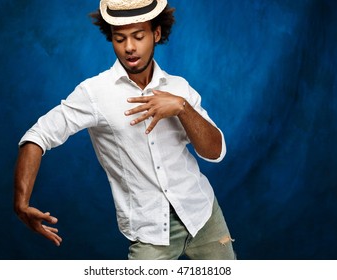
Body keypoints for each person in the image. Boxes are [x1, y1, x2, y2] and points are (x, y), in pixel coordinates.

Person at [14, 0, 235, 260]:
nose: (129, 47)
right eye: (120, 39)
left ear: (156, 34)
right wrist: (21, 203)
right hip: (151, 232)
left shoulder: (179, 88)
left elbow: (215, 152)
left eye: (138, 37)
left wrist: (182, 108)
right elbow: (39, 135)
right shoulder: (95, 93)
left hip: (203, 215)